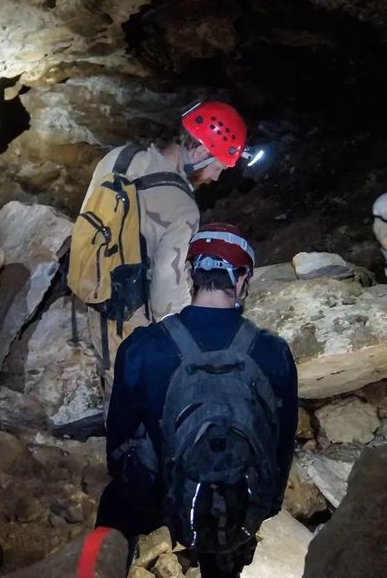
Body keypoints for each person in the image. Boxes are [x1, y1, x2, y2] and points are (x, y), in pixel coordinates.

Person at [95, 223, 297, 578]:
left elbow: (119, 434)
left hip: (156, 491)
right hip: (229, 497)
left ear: (189, 273)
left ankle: (93, 571)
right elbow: (281, 442)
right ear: (242, 279)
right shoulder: (273, 352)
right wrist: (264, 505)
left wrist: (127, 479)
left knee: (109, 518)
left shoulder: (143, 347)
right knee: (226, 537)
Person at [73, 101, 261, 384]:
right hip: (130, 313)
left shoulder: (118, 157)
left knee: (112, 376)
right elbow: (166, 292)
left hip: (92, 286)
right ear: (199, 151)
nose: (216, 177)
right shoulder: (182, 206)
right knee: (142, 391)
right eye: (217, 167)